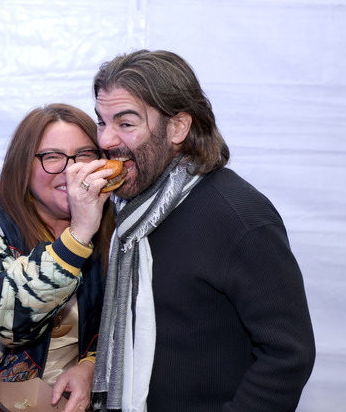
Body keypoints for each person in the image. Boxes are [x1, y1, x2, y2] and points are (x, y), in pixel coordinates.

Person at [89, 50, 316, 412]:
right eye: (102, 122)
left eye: (126, 123)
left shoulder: (240, 217)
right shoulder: (129, 216)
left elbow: (288, 356)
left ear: (178, 127)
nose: (104, 140)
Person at [0, 104, 115, 412]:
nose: (71, 170)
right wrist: (77, 238)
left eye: (84, 155)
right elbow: (5, 321)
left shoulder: (110, 221)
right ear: (24, 165)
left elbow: (122, 319)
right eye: (52, 157)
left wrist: (91, 367)